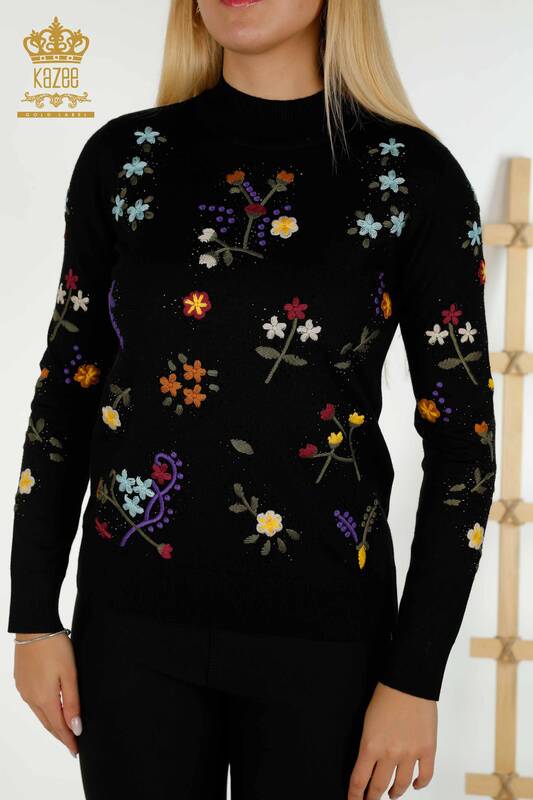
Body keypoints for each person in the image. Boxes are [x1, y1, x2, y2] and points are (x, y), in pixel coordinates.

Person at [8, 1, 497, 798]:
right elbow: (65, 391)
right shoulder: (125, 159)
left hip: (327, 645)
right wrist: (32, 616)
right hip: (129, 637)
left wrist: (415, 677)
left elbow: (461, 449)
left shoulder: (412, 178)